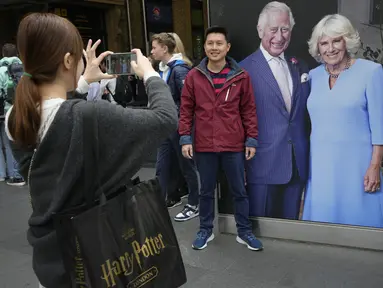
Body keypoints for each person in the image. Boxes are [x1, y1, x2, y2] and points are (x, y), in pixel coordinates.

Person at [6, 13, 178, 288]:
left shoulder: (17, 116)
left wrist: (83, 81)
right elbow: (165, 118)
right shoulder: (93, 115)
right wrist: (150, 74)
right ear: (66, 61)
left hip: (54, 257)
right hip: (99, 256)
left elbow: (58, 119)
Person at [179, 26, 262, 251]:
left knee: (239, 191)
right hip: (204, 144)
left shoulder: (241, 77)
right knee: (206, 191)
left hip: (233, 144)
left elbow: (249, 110)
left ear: (227, 47)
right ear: (204, 47)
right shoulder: (194, 76)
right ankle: (205, 230)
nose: (214, 47)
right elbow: (185, 110)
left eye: (218, 43)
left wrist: (251, 139)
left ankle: (244, 231)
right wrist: (185, 138)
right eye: (210, 43)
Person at [302, 14, 383, 228]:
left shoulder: (371, 72)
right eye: (324, 43)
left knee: (360, 230)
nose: (330, 48)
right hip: (320, 166)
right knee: (321, 233)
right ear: (317, 48)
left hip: (357, 167)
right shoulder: (313, 76)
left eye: (336, 40)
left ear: (347, 41)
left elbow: (380, 125)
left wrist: (375, 165)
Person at [240, 1, 310, 220]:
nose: (279, 37)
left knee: (290, 233)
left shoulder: (300, 66)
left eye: (285, 29)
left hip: (297, 165)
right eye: (273, 30)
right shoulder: (243, 70)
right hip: (261, 166)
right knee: (263, 233)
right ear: (260, 30)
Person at [151, 32, 200, 221]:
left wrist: (184, 129)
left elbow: (188, 103)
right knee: (162, 166)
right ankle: (157, 203)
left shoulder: (179, 70)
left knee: (187, 167)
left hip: (179, 128)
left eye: (155, 47)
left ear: (164, 48)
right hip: (166, 127)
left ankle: (194, 204)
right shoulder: (164, 69)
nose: (152, 51)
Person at [0, 43, 26, 186]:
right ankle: (19, 173)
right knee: (16, 140)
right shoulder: (24, 68)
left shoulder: (1, 70)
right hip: (22, 107)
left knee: (4, 142)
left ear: (3, 54)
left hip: (6, 109)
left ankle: (5, 174)